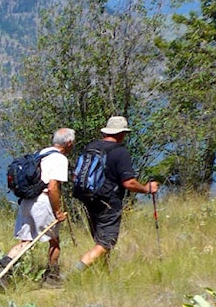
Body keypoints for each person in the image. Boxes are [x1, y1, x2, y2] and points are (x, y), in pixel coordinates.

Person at [68, 116, 158, 276]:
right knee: (106, 243)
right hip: (108, 202)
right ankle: (73, 274)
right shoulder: (120, 152)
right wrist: (147, 189)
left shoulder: (91, 147)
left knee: (100, 240)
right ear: (122, 133)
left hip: (89, 199)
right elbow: (129, 183)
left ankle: (104, 275)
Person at [0, 128, 75, 287]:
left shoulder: (40, 154)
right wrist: (58, 212)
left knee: (26, 241)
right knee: (54, 241)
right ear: (69, 143)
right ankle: (52, 279)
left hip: (27, 201)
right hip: (43, 202)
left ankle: (2, 268)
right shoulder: (59, 159)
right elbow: (53, 187)